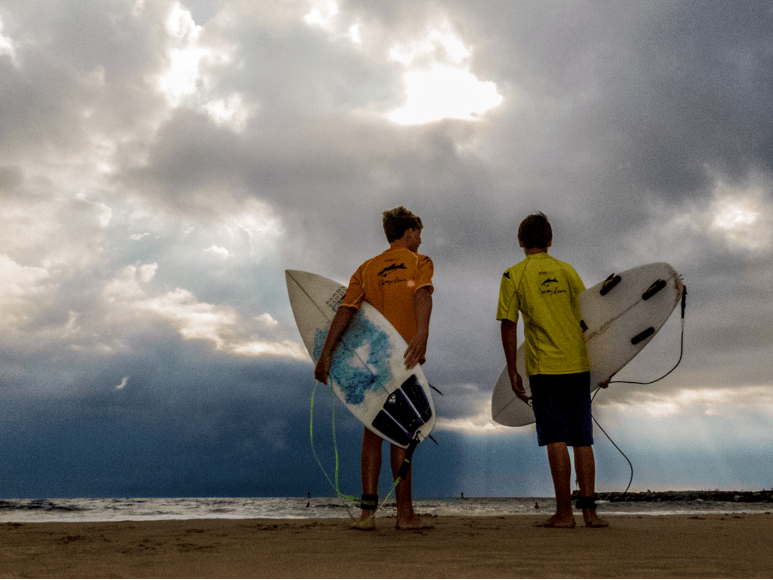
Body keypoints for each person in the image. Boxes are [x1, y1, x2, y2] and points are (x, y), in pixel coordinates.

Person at [315, 206, 433, 531]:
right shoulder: (419, 263)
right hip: (404, 359)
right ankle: (405, 515)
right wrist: (422, 333)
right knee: (402, 435)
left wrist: (326, 353)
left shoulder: (366, 268)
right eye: (418, 234)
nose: (420, 241)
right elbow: (422, 294)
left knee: (372, 435)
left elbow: (346, 310)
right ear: (408, 232)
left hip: (371, 363)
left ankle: (368, 515)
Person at [497, 212, 609, 528]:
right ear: (549, 241)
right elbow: (590, 319)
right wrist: (605, 363)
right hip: (577, 365)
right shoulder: (567, 271)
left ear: (520, 242)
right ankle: (590, 513)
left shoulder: (513, 275)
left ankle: (564, 514)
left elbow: (508, 324)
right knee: (582, 440)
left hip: (544, 369)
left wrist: (512, 369)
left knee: (555, 438)